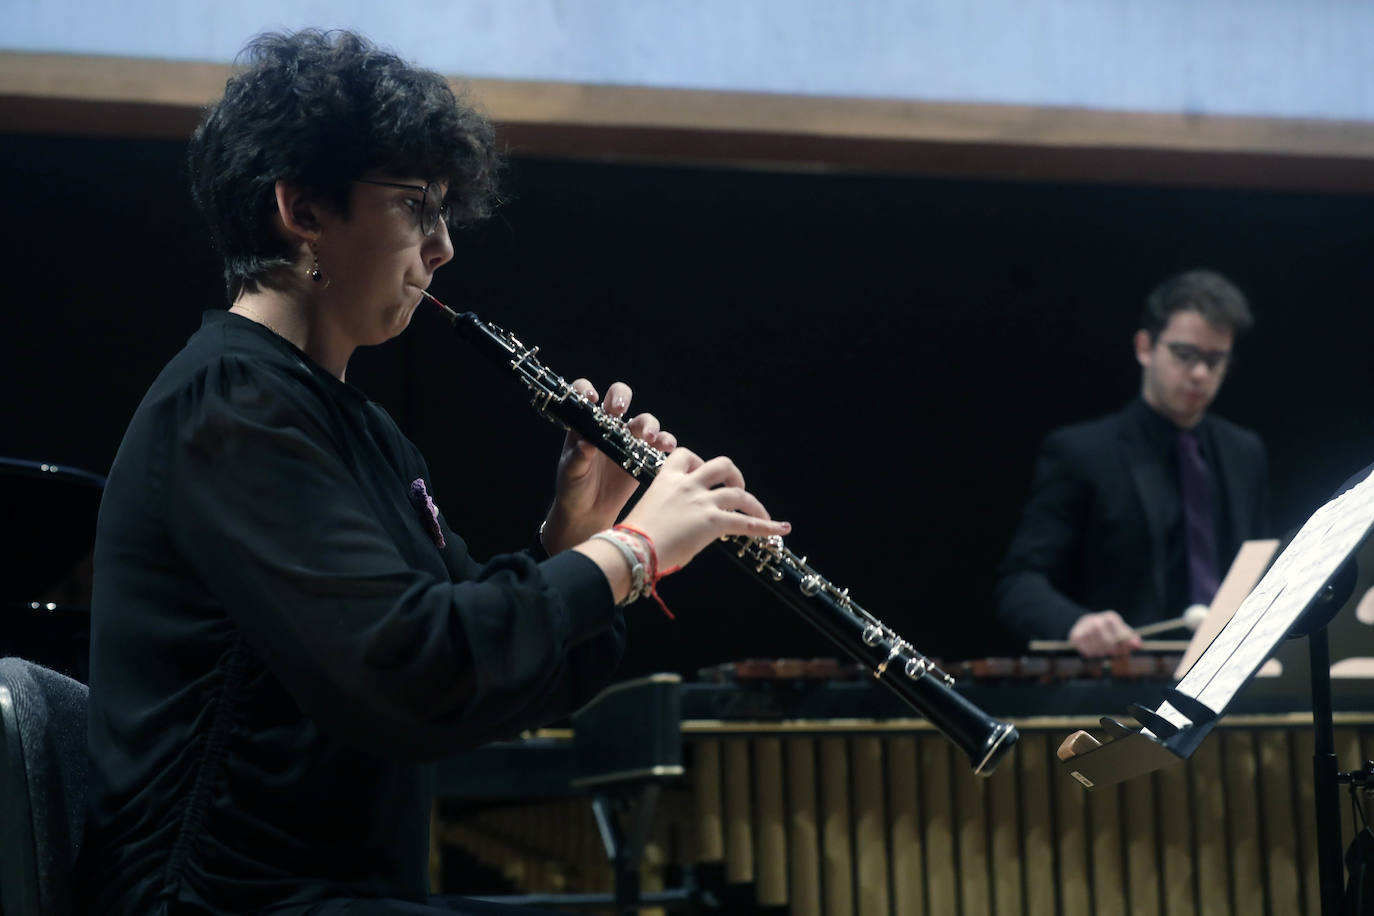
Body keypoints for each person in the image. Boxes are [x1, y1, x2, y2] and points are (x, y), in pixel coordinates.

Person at [77, 30, 790, 915]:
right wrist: (637, 551)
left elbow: (480, 673)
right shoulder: (232, 404)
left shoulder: (360, 429)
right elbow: (410, 666)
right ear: (301, 211)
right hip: (224, 899)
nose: (444, 246)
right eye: (418, 205)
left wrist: (583, 537)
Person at [994, 269, 1269, 658]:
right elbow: (1019, 583)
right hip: (1122, 683)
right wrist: (1076, 623)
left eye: (1215, 359)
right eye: (1185, 355)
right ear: (1144, 347)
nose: (1200, 374)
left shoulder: (1245, 453)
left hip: (1225, 675)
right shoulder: (1082, 452)